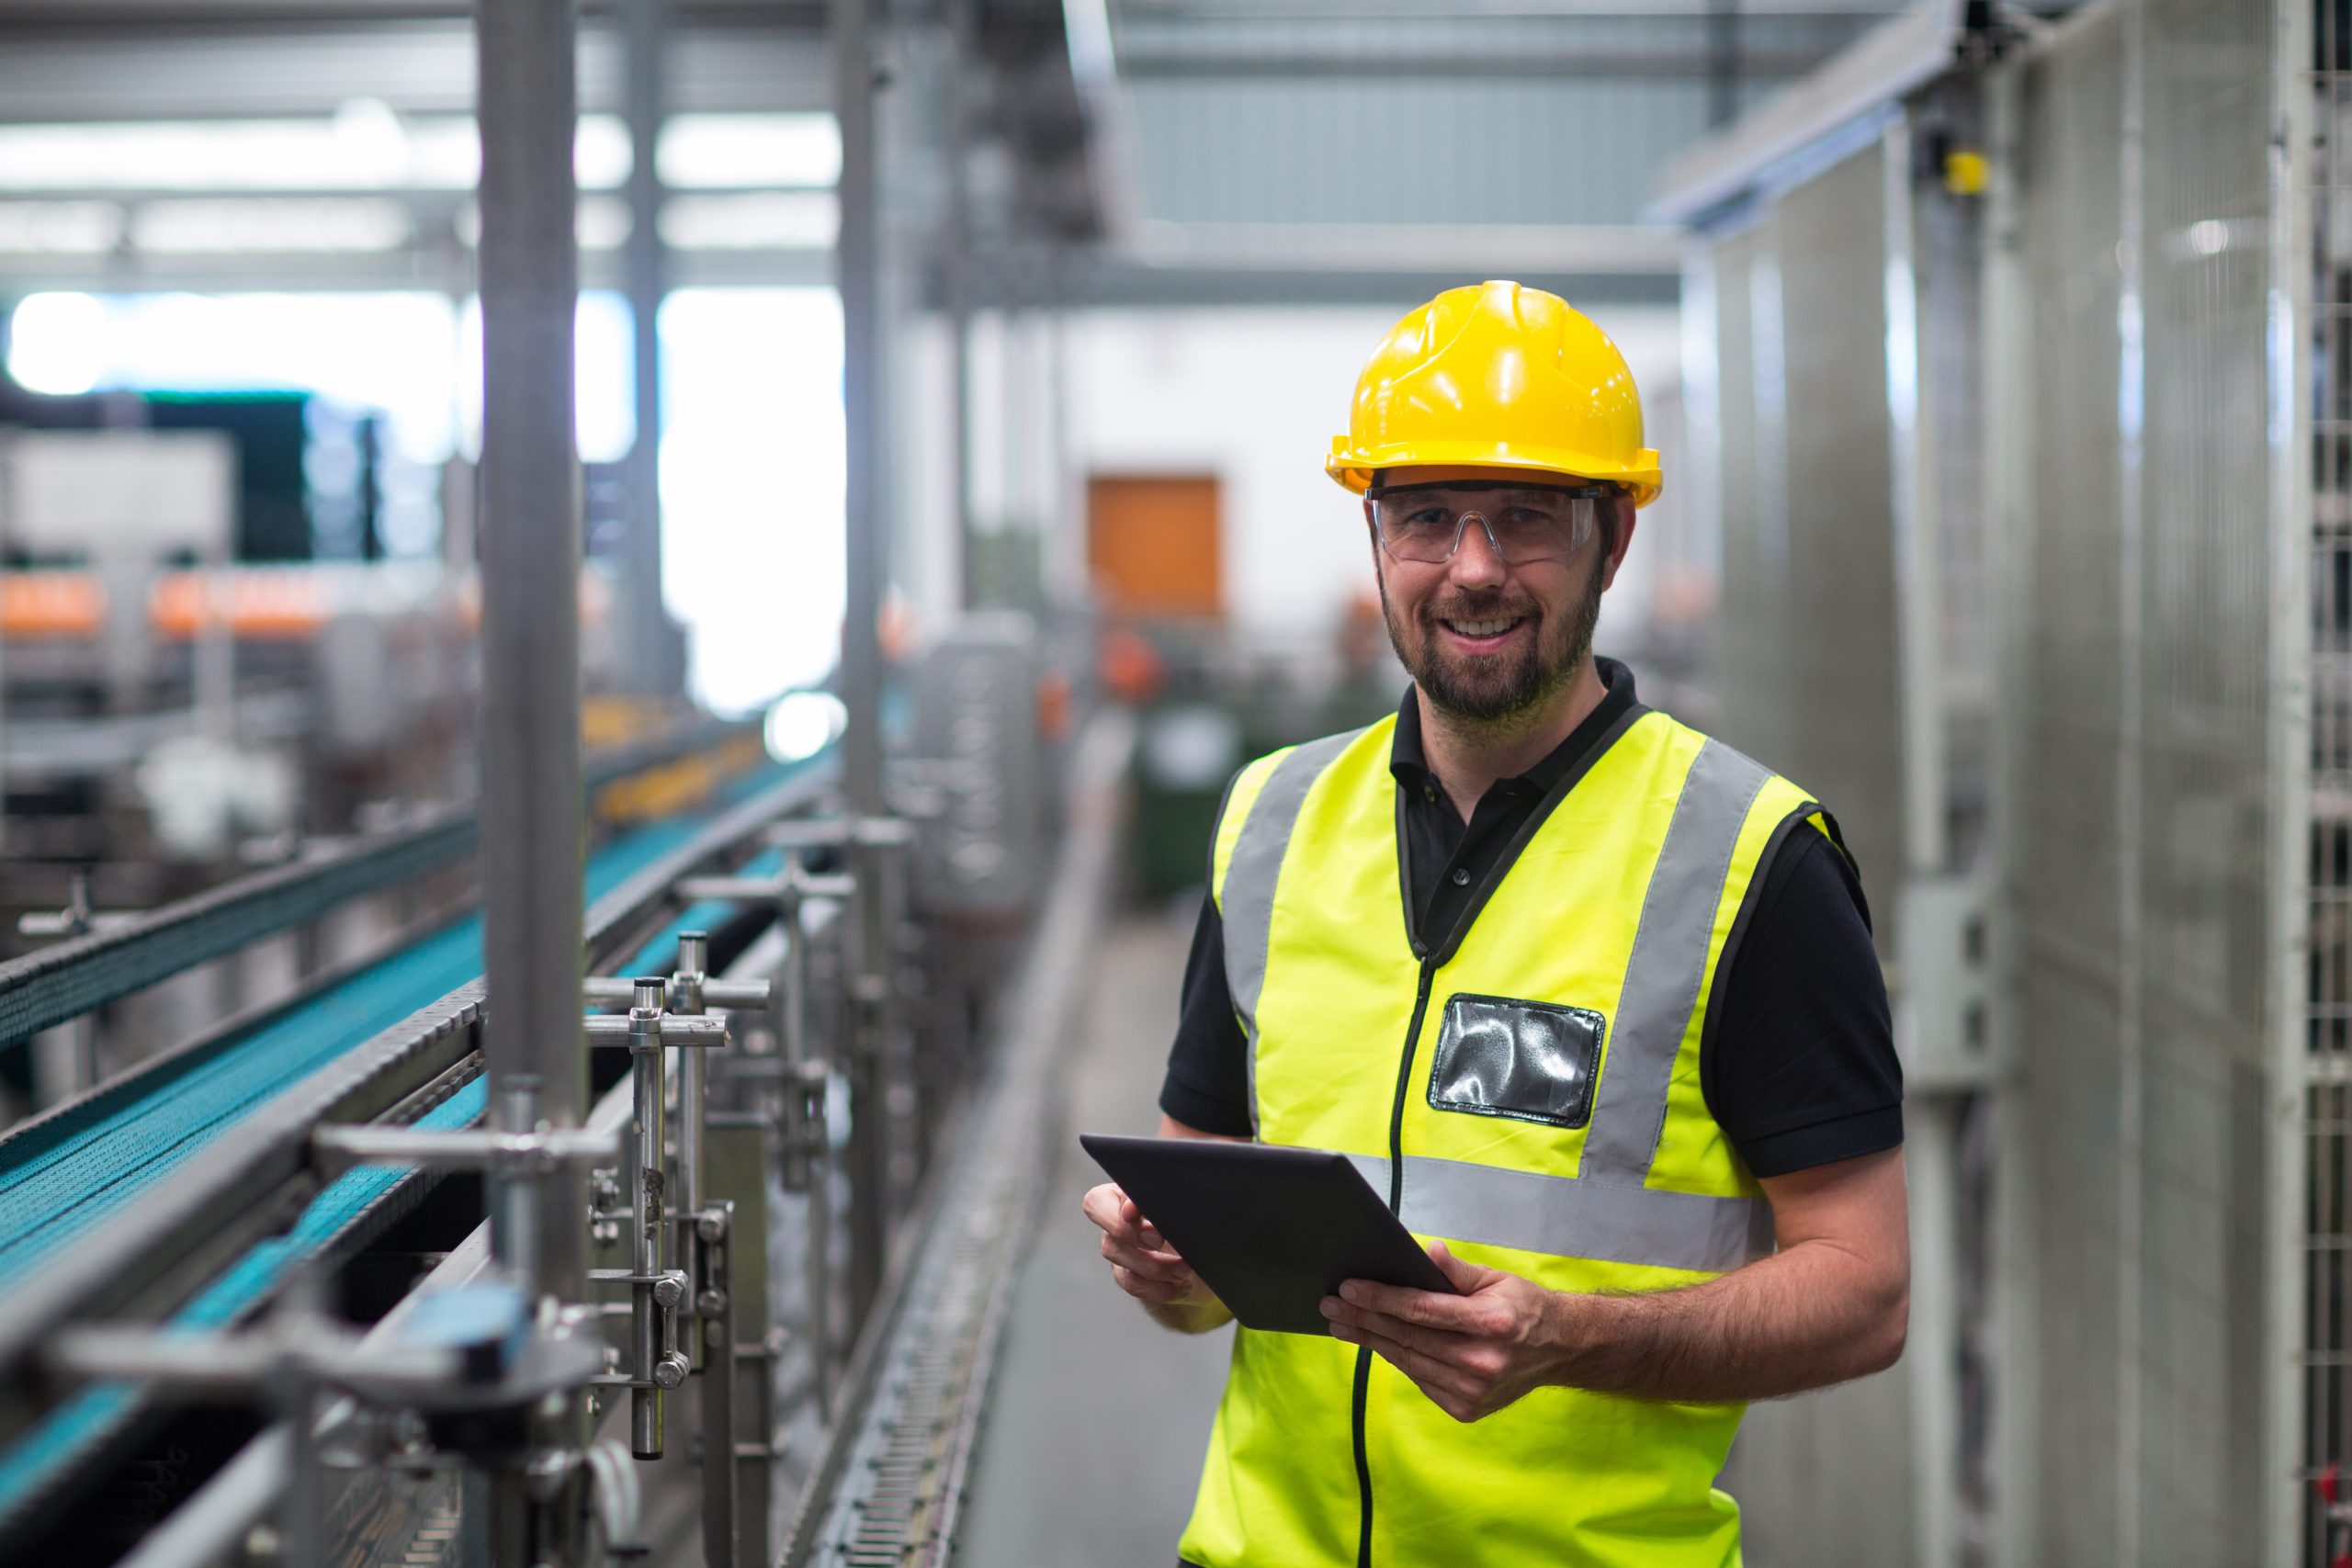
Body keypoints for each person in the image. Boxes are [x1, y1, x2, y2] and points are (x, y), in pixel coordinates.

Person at [1081, 279, 1909, 1568]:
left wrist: (1579, 1338)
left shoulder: (1749, 860)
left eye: (1525, 517)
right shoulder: (1273, 822)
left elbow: (1865, 1294)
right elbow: (1206, 1226)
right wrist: (1172, 1269)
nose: (1473, 568)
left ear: (1613, 539)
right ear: (1375, 536)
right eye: (1426, 518)